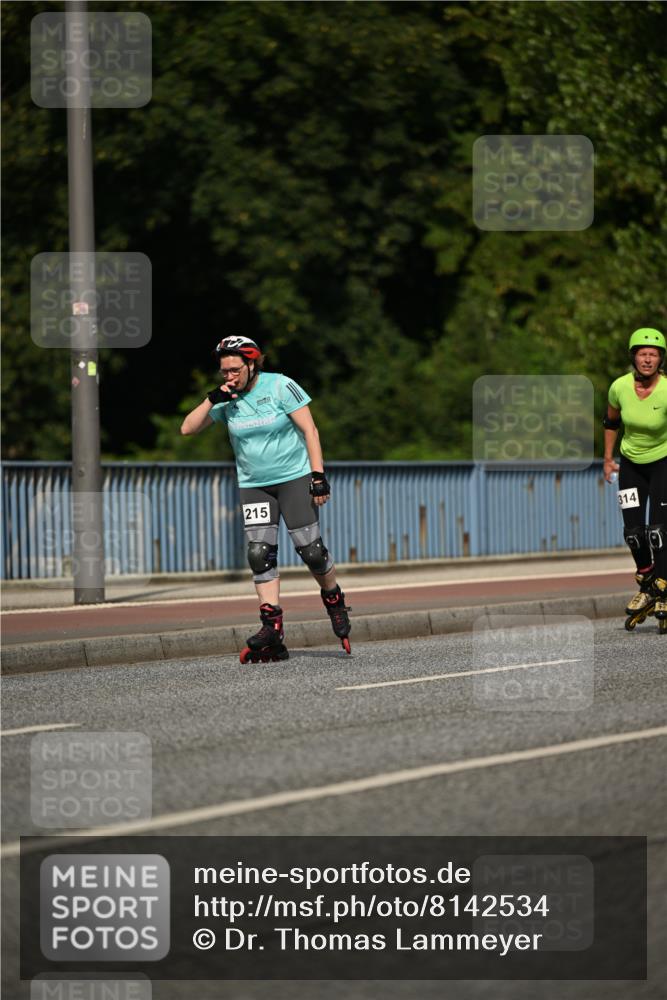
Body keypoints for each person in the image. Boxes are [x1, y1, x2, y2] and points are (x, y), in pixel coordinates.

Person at [180, 335, 351, 660]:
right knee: (260, 554)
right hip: (254, 484)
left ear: (251, 364)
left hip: (294, 478)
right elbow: (187, 429)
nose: (229, 376)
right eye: (224, 371)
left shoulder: (279, 386)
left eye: (234, 370)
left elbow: (309, 431)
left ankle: (333, 597)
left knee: (312, 552)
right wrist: (211, 399)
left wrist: (318, 475)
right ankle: (272, 626)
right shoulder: (224, 398)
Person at [603, 327, 667, 629]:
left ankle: (662, 587)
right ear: (634, 357)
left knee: (657, 530)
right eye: (642, 354)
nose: (647, 359)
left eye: (653, 354)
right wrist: (607, 459)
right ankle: (648, 582)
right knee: (633, 531)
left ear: (660, 359)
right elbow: (611, 422)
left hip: (663, 463)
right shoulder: (619, 387)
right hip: (630, 464)